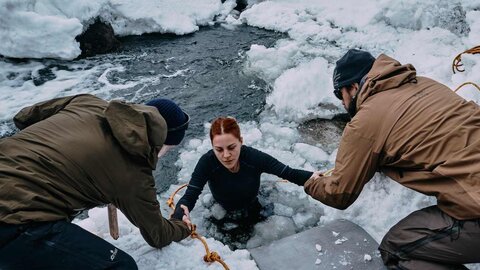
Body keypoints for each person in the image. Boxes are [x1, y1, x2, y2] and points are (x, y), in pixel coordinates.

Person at [304, 49, 480, 269]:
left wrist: (312, 182)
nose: (341, 102)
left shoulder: (365, 121)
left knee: (396, 248)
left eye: (341, 94)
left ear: (354, 87)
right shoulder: (428, 85)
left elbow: (338, 194)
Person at [0, 94, 193, 270]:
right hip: (14, 218)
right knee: (121, 266)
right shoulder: (134, 174)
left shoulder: (86, 102)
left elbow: (23, 117)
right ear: (159, 142)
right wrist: (183, 226)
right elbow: (158, 235)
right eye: (166, 149)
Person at [172, 117, 321, 228]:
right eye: (219, 149)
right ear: (212, 146)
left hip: (253, 206)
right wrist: (179, 213)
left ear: (241, 141)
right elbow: (190, 194)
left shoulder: (253, 157)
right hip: (223, 211)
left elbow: (288, 173)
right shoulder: (207, 162)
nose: (226, 155)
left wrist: (313, 177)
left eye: (231, 147)